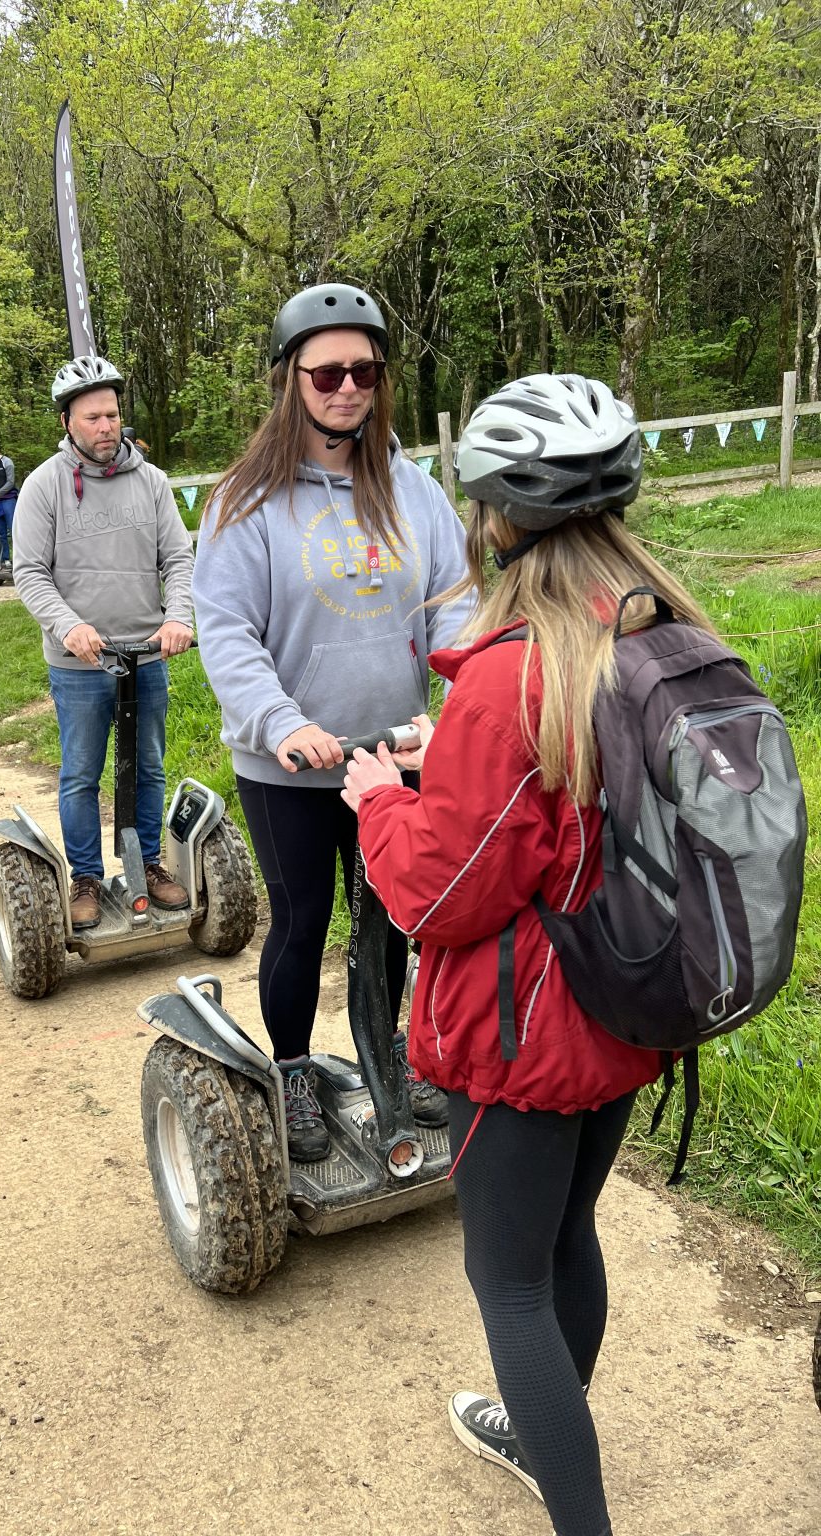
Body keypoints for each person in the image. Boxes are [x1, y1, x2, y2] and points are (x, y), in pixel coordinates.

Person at [341, 373, 712, 1536]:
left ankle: (573, 1497)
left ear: (499, 514)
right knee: (569, 1240)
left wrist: (375, 800)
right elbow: (555, 813)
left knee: (508, 1282)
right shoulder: (657, 625)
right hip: (626, 1003)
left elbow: (443, 893)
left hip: (524, 1036)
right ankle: (550, 1429)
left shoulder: (513, 674)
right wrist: (442, 760)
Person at [191, 283, 473, 1162]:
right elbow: (226, 629)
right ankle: (292, 1070)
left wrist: (459, 701)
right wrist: (279, 721)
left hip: (394, 754)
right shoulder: (243, 501)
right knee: (303, 917)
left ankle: (386, 1051)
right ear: (290, 381)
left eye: (363, 370)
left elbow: (454, 608)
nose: (347, 387)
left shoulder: (415, 490)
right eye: (326, 373)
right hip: (291, 766)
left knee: (394, 917)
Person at [11, 354, 194, 930]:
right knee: (81, 772)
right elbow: (30, 572)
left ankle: (149, 867)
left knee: (148, 768)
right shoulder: (44, 487)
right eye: (92, 417)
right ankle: (86, 876)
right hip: (80, 662)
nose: (106, 427)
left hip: (146, 653)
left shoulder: (153, 483)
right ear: (67, 421)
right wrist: (70, 625)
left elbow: (179, 558)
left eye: (112, 414)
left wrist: (178, 615)